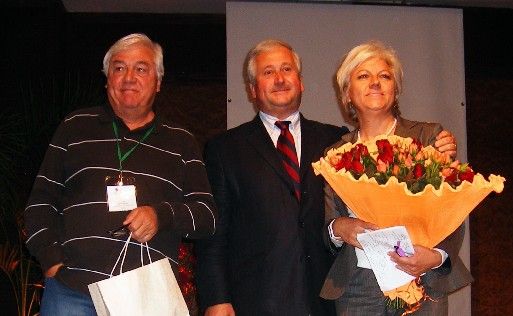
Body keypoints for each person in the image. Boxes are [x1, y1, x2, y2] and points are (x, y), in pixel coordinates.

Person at [195, 39, 456, 316]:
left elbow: (450, 205)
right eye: (268, 72)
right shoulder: (225, 149)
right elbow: (214, 234)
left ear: (301, 81)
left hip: (327, 299)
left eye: (287, 69)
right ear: (252, 88)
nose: (280, 79)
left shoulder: (332, 141)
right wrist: (216, 299)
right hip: (259, 299)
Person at [24, 33, 218, 315]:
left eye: (141, 69)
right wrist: (52, 263)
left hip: (148, 298)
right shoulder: (75, 127)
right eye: (118, 68)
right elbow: (40, 202)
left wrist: (160, 215)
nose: (128, 77)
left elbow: (207, 216)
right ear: (107, 80)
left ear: (159, 82)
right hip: (73, 290)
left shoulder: (181, 141)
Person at [320, 41, 473, 316]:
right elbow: (330, 221)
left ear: (396, 89)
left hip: (422, 276)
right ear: (347, 94)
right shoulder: (335, 154)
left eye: (385, 76)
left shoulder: (429, 138)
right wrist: (339, 228)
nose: (375, 82)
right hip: (357, 287)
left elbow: (453, 209)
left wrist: (436, 257)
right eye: (363, 76)